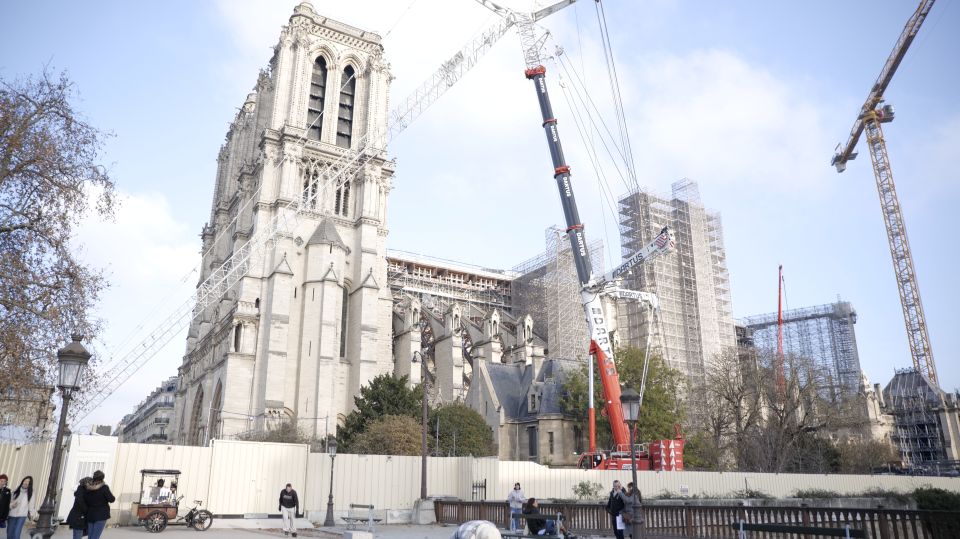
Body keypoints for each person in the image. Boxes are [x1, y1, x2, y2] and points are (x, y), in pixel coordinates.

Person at [83, 470, 115, 539]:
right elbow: (112, 499)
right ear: (102, 478)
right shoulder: (104, 488)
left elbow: (85, 500)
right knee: (95, 537)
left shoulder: (88, 488)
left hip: (90, 515)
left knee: (90, 536)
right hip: (101, 515)